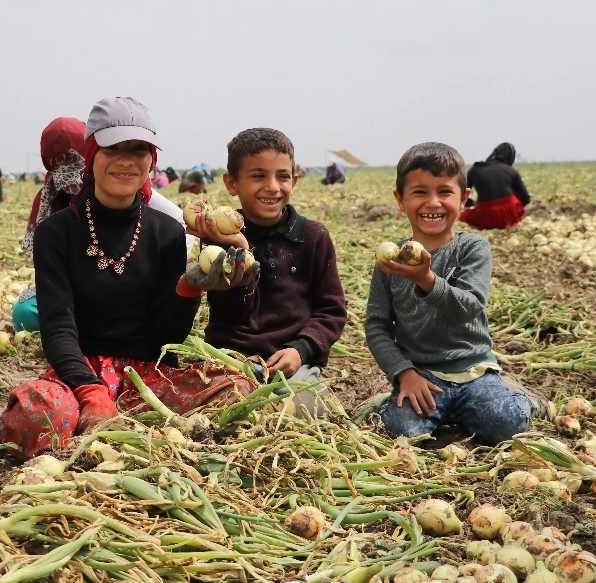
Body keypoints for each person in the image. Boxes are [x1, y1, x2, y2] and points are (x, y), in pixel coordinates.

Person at [0, 97, 256, 459]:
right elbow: (57, 326)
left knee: (236, 387)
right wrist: (90, 390)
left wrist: (187, 289)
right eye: (112, 148)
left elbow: (163, 339)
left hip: (147, 378)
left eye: (138, 149)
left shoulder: (167, 232)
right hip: (77, 373)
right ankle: (25, 420)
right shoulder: (57, 232)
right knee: (41, 415)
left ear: (152, 159)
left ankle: (110, 426)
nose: (126, 160)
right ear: (91, 154)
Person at [365, 142, 545, 447]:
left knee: (506, 425)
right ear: (400, 199)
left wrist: (427, 280)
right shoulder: (390, 262)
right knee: (402, 430)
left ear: (463, 198)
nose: (433, 202)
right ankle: (437, 409)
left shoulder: (472, 248)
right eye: (420, 192)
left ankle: (523, 398)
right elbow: (377, 326)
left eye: (444, 192)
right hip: (423, 377)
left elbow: (469, 307)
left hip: (473, 371)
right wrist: (403, 372)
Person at [191, 128, 347, 418]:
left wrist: (300, 349)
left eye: (283, 176)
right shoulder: (218, 239)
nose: (273, 187)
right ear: (231, 183)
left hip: (294, 362)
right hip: (233, 359)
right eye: (258, 176)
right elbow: (234, 313)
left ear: (294, 181)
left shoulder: (314, 236)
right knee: (223, 408)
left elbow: (332, 310)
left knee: (310, 408)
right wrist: (240, 249)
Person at [15, 116, 195, 333]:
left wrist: (156, 271)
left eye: (76, 172)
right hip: (74, 298)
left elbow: (179, 228)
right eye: (64, 176)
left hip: (136, 295)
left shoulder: (136, 194)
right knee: (26, 311)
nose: (74, 185)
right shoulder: (52, 207)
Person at [460, 142, 531, 229]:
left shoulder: (475, 170)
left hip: (485, 215)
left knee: (463, 216)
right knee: (514, 193)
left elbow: (460, 196)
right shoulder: (511, 171)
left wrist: (473, 203)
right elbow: (526, 198)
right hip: (510, 216)